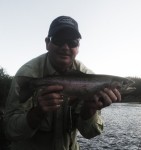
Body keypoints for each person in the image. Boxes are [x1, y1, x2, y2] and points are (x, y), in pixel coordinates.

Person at [4, 16, 121, 150]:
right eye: (59, 40)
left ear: (78, 47)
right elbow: (10, 131)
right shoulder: (28, 74)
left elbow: (89, 134)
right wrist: (37, 113)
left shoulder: (89, 78)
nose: (65, 47)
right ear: (47, 42)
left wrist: (89, 109)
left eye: (72, 42)